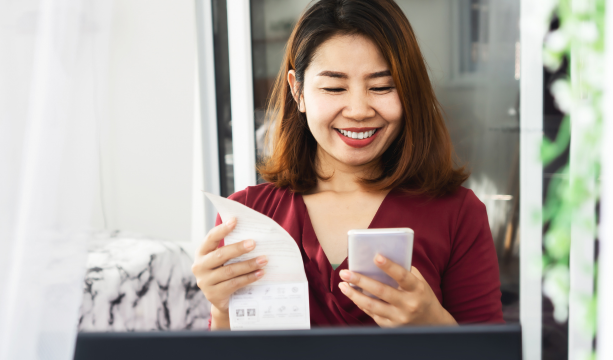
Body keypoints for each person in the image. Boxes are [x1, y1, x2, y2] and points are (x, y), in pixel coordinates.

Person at [192, 0, 503, 329]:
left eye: (382, 87)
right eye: (334, 87)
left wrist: (434, 324)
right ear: (297, 91)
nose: (358, 110)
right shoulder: (248, 214)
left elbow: (492, 350)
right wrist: (223, 310)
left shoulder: (457, 214)